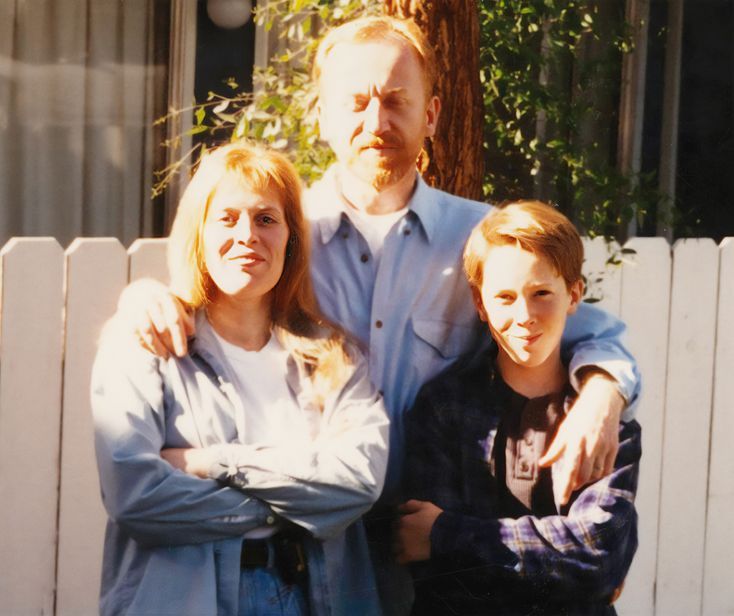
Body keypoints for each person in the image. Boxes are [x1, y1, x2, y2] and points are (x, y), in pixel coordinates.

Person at [115, 16, 640, 613]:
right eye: (356, 103)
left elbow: (577, 323)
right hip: (316, 555)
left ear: (433, 114)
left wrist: (603, 394)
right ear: (322, 116)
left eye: (396, 101)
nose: (376, 122)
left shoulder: (481, 238)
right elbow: (207, 298)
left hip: (442, 557)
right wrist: (146, 298)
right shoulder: (281, 238)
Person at [92, 142, 389, 615]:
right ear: (199, 234)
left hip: (308, 596)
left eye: (266, 219)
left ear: (291, 238)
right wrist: (300, 502)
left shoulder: (336, 357)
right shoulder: (144, 344)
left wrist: (214, 462)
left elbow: (356, 484)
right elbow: (136, 495)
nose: (247, 234)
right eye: (227, 218)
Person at [396, 201, 640, 615]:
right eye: (505, 297)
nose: (524, 315)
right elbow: (436, 576)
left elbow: (597, 562)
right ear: (480, 303)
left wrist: (447, 533)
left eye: (541, 293)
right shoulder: (444, 408)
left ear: (574, 294)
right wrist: (561, 555)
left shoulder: (605, 420)